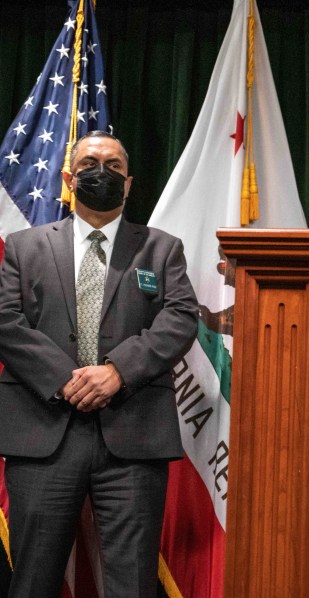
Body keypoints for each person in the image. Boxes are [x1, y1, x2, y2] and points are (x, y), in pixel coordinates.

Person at [0, 131, 199, 597]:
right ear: (69, 178)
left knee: (132, 583)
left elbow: (181, 318)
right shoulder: (23, 246)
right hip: (42, 433)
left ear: (128, 184)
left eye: (113, 166)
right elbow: (5, 320)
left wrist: (116, 371)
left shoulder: (161, 248)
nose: (101, 173)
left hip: (132, 438)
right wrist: (66, 380)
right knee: (32, 582)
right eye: (90, 164)